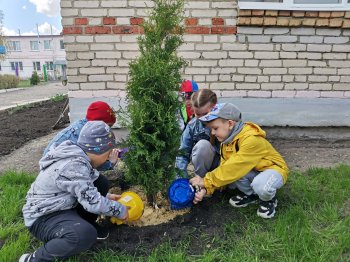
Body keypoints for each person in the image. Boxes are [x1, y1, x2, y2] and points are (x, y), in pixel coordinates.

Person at [20, 121, 129, 262]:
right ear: (98, 150)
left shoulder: (81, 157)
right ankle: (33, 259)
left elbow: (83, 188)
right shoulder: (73, 166)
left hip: (62, 206)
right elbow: (92, 201)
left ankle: (86, 223)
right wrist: (120, 210)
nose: (108, 157)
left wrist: (107, 197)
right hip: (44, 217)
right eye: (108, 153)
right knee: (83, 234)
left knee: (101, 182)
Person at [190, 103, 289, 219]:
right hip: (253, 169)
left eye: (215, 128)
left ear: (230, 124)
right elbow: (225, 167)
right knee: (235, 175)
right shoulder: (228, 141)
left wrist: (206, 181)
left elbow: (235, 167)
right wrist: (207, 189)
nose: (212, 133)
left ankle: (269, 200)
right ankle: (252, 195)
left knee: (261, 185)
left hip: (273, 170)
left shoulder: (251, 140)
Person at [43, 101, 118, 171]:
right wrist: (110, 164)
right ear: (97, 124)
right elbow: (93, 163)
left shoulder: (83, 125)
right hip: (58, 170)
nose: (108, 131)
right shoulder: (85, 136)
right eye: (108, 126)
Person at [175, 89, 220, 178]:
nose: (202, 118)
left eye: (206, 114)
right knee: (202, 146)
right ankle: (200, 182)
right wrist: (181, 179)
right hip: (203, 168)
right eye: (198, 114)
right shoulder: (192, 126)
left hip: (222, 166)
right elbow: (182, 153)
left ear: (214, 108)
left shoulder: (224, 122)